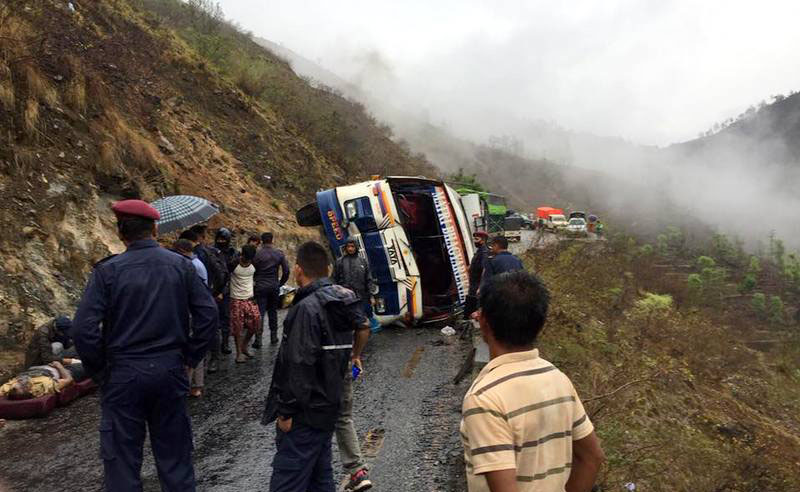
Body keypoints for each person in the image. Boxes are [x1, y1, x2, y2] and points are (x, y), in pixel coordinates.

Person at [73, 199, 218, 492]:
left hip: (123, 374)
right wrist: (190, 356)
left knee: (122, 465)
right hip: (169, 369)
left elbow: (82, 329)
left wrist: (101, 372)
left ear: (120, 233)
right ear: (154, 228)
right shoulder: (181, 266)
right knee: (175, 460)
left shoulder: (107, 272)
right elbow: (208, 315)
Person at [461, 271, 605, 492]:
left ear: (484, 323)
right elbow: (592, 458)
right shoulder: (558, 378)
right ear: (540, 324)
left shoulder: (484, 398)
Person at [263, 241, 368, 492]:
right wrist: (355, 355)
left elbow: (298, 364)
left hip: (304, 412)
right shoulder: (344, 300)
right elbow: (362, 326)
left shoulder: (305, 309)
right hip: (328, 406)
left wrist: (286, 411)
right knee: (321, 478)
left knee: (288, 481)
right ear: (330, 268)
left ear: (298, 270)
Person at [190, 224, 229, 372]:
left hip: (207, 294)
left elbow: (222, 273)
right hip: (203, 294)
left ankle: (213, 357)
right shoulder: (194, 253)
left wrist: (216, 291)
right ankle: (206, 359)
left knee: (212, 326)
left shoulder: (209, 253)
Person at [174, 238, 210, 397]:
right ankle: (196, 385)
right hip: (195, 312)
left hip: (191, 313)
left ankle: (189, 385)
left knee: (190, 349)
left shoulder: (191, 266)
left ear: (181, 251)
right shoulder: (196, 263)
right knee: (195, 348)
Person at [253, 232, 290, 347]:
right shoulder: (278, 254)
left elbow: (253, 269)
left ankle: (258, 339)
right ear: (272, 240)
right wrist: (280, 283)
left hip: (260, 286)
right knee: (273, 311)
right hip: (274, 286)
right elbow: (286, 271)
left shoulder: (257, 254)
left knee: (260, 312)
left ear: (262, 241)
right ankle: (274, 337)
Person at [229, 244, 262, 363]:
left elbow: (257, 277)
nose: (247, 260)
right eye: (245, 257)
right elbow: (224, 277)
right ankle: (238, 354)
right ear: (241, 254)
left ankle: (244, 346)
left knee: (256, 324)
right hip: (236, 299)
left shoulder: (255, 264)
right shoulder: (233, 264)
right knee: (238, 327)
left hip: (250, 298)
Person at [333, 239, 376, 322]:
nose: (350, 249)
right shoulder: (339, 262)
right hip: (345, 299)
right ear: (345, 248)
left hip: (362, 297)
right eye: (348, 246)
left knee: (365, 322)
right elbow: (334, 280)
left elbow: (369, 280)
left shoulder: (363, 261)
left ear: (356, 247)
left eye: (352, 246)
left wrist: (371, 296)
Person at [215, 227, 240, 355]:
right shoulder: (213, 252)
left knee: (225, 317)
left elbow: (233, 269)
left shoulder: (232, 252)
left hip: (226, 288)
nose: (221, 241)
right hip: (214, 289)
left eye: (223, 239)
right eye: (219, 238)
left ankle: (224, 344)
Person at [0, 361, 75, 400]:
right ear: (29, 390)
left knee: (56, 345)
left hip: (39, 364)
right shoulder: (44, 386)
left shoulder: (7, 388)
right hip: (59, 369)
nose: (20, 381)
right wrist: (59, 366)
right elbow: (68, 379)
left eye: (18, 381)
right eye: (22, 385)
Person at [464, 231, 489, 320]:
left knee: (473, 305)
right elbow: (475, 264)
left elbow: (485, 269)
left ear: (483, 240)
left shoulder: (484, 252)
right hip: (474, 282)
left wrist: (480, 286)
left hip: (477, 283)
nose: (475, 241)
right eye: (474, 239)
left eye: (477, 239)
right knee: (471, 302)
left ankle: (472, 322)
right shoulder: (479, 251)